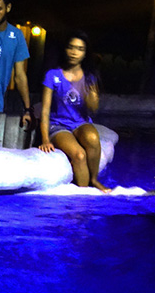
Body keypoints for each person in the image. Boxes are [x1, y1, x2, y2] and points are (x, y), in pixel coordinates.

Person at [38, 31, 110, 192]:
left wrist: (90, 89)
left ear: (85, 53)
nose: (74, 52)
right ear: (65, 49)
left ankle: (93, 180)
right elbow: (45, 111)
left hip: (81, 123)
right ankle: (82, 198)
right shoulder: (53, 75)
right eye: (71, 47)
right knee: (79, 155)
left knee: (92, 138)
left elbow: (93, 109)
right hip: (58, 126)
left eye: (79, 49)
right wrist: (44, 139)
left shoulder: (89, 77)